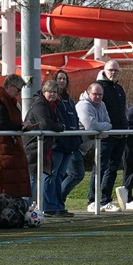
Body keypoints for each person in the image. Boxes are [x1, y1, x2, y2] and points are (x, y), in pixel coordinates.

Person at [0, 74, 30, 199]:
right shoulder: (1, 101)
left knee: (1, 182)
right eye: (18, 90)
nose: (19, 94)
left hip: (4, 146)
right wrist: (20, 126)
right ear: (10, 86)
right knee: (0, 181)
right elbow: (2, 124)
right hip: (2, 148)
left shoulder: (7, 101)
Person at [24, 79, 66, 214]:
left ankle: (30, 210)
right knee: (31, 180)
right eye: (50, 92)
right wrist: (59, 127)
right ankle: (25, 210)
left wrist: (59, 126)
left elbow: (61, 122)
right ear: (44, 92)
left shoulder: (54, 106)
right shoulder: (40, 104)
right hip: (33, 148)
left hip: (43, 147)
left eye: (55, 92)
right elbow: (45, 124)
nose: (52, 94)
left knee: (36, 179)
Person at [91, 59, 128, 210]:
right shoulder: (99, 87)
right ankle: (92, 200)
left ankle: (105, 200)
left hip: (120, 134)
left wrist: (125, 128)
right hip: (105, 135)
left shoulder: (119, 88)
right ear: (104, 71)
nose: (113, 73)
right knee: (99, 168)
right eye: (110, 70)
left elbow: (123, 110)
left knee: (112, 169)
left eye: (116, 70)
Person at [75, 82, 114, 211]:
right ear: (88, 93)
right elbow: (90, 126)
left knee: (75, 175)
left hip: (85, 147)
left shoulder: (102, 104)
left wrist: (99, 128)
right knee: (74, 175)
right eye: (95, 94)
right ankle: (53, 204)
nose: (98, 97)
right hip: (74, 146)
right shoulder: (83, 105)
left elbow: (109, 123)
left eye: (100, 94)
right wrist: (100, 130)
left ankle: (57, 204)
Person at [52, 70, 82, 216]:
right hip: (58, 143)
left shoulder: (69, 100)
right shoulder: (54, 100)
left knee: (65, 174)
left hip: (71, 143)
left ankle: (59, 204)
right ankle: (54, 205)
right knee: (56, 175)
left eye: (64, 78)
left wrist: (77, 138)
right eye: (59, 78)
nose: (62, 81)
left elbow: (74, 119)